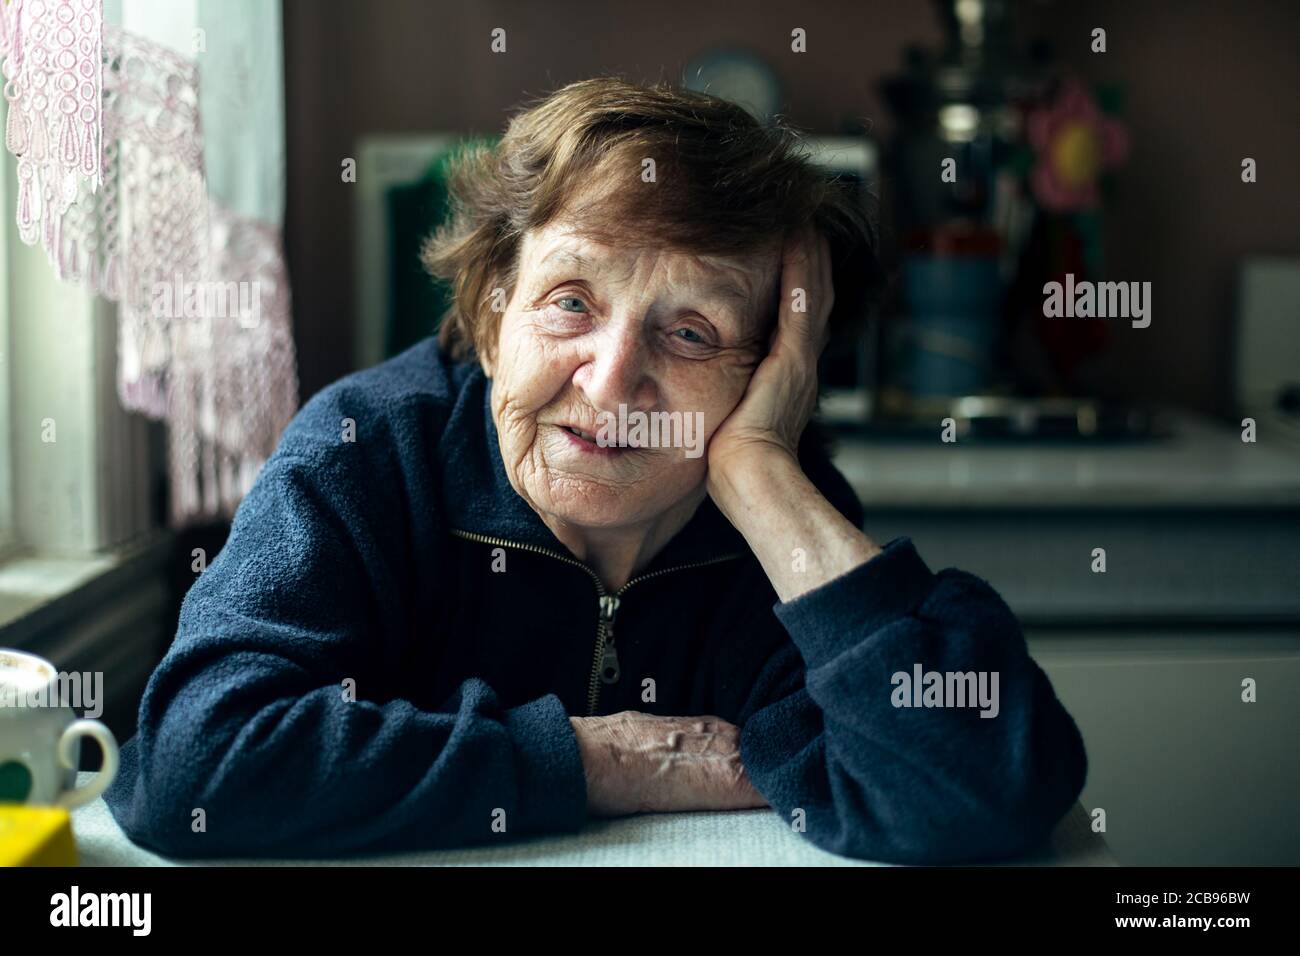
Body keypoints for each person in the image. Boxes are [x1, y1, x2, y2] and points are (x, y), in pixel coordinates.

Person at [104, 76, 1087, 863]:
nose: (613, 379)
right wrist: (597, 757)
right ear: (492, 312)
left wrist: (762, 474)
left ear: (769, 375)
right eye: (570, 301)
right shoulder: (365, 454)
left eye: (693, 330)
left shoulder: (773, 521)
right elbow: (198, 759)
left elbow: (977, 789)